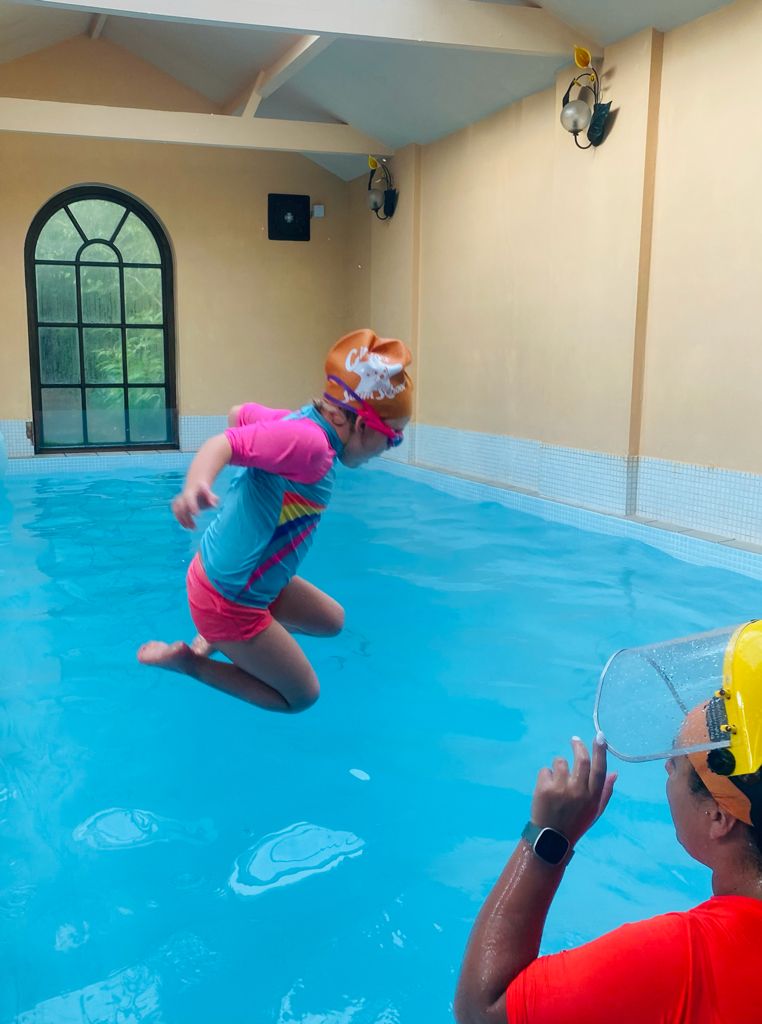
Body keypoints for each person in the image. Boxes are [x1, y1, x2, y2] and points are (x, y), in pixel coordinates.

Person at [455, 622, 762, 1024]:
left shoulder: (684, 961)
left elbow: (482, 1012)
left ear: (718, 816)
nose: (666, 767)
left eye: (678, 761)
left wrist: (548, 839)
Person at [138, 329, 412, 713]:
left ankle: (221, 640)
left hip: (236, 578)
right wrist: (196, 484)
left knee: (332, 622)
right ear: (364, 424)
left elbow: (238, 414)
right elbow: (224, 443)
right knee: (301, 697)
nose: (389, 448)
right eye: (394, 437)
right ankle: (192, 663)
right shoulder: (311, 447)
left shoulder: (298, 425)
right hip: (230, 601)